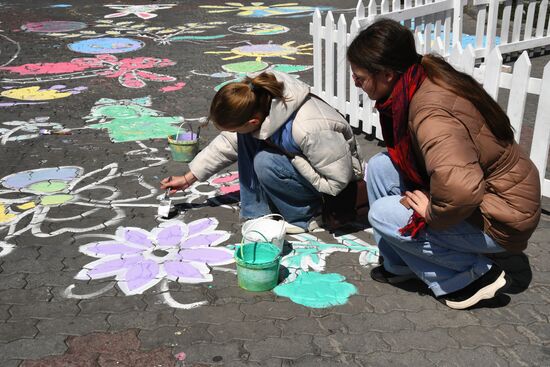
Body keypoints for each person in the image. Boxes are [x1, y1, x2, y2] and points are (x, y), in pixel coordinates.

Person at [347, 19, 541, 309]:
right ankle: (398, 266)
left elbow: (461, 190)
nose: (356, 83)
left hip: (502, 219)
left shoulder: (431, 113)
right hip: (492, 199)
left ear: (387, 74)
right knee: (379, 167)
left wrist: (431, 213)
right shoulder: (418, 76)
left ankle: (471, 278)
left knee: (383, 214)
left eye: (360, 77)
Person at [160, 71, 364, 233]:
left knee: (265, 161)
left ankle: (307, 217)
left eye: (234, 128)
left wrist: (294, 159)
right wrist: (188, 178)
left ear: (253, 122)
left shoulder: (309, 128)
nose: (233, 134)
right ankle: (257, 213)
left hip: (338, 188)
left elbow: (338, 181)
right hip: (315, 167)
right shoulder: (258, 102)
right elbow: (228, 144)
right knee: (247, 140)